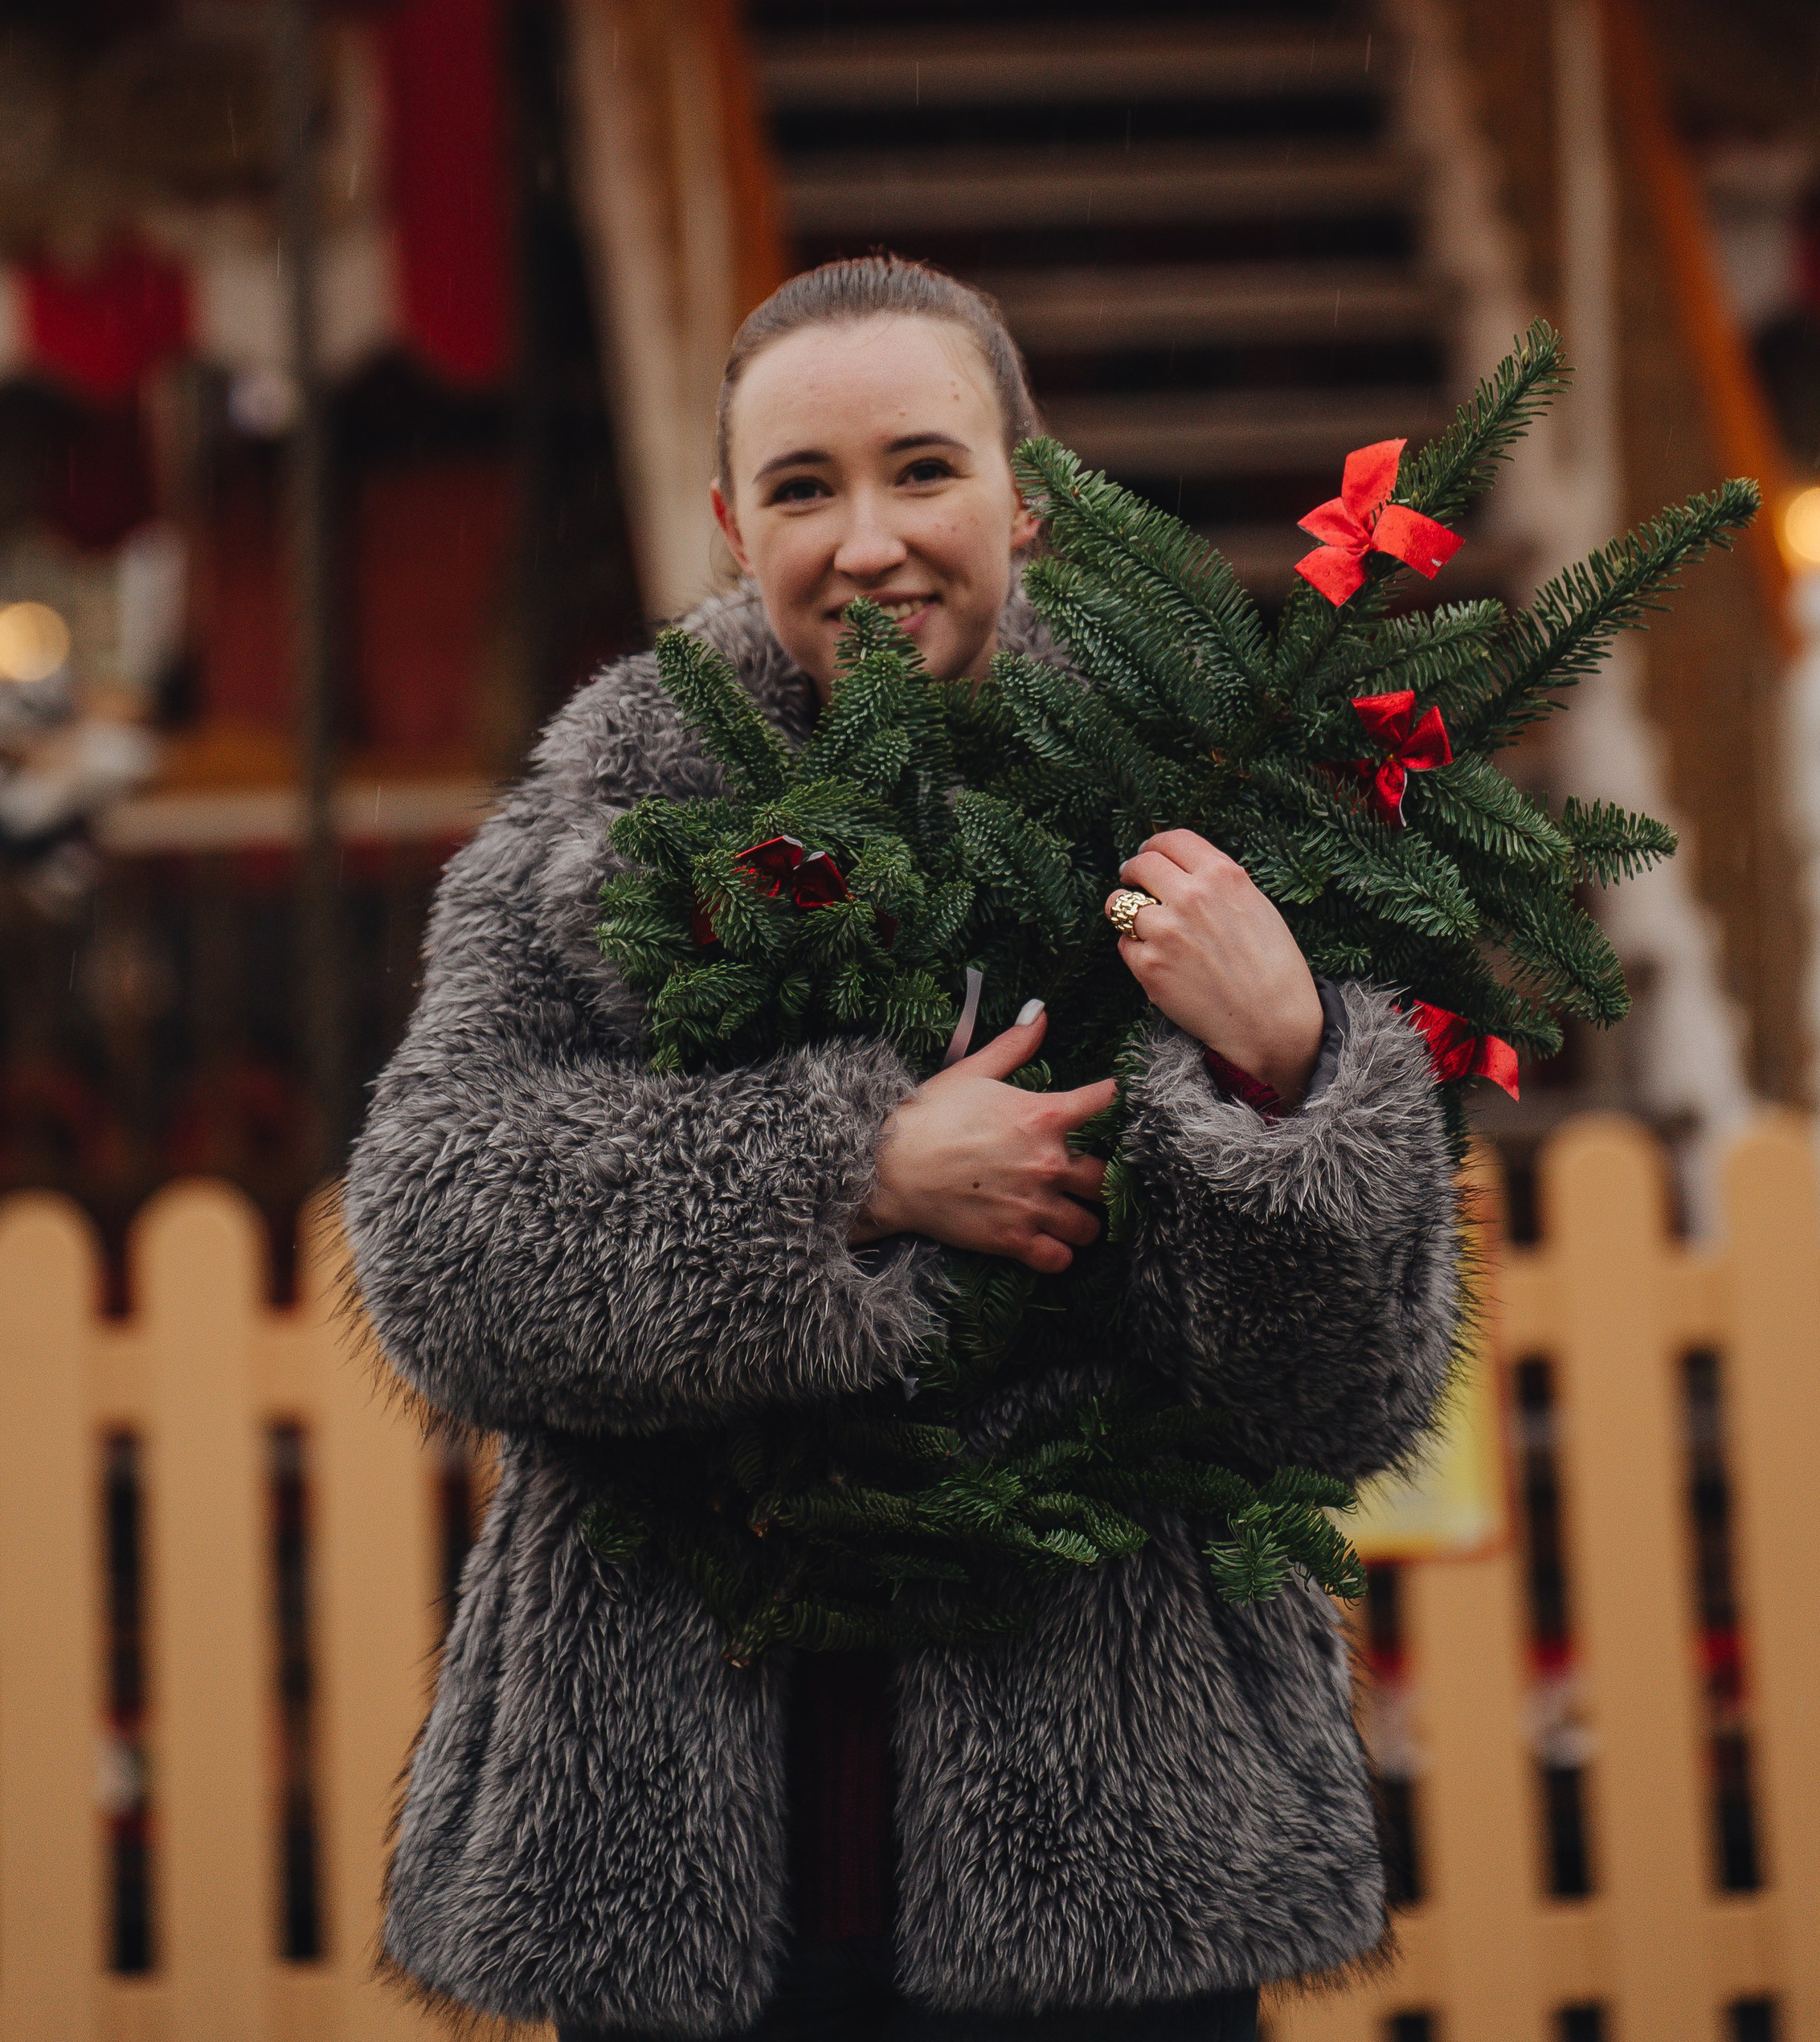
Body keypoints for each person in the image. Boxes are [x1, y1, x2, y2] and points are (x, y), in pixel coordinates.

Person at [345, 254, 1458, 2042]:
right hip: (683, 1868)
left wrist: (1289, 1067)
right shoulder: (610, 809)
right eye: (803, 489)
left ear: (1027, 496)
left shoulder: (1181, 814)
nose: (866, 542)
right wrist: (849, 1173)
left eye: (921, 471)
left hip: (1117, 1864)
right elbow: (435, 1237)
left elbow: (1340, 1400)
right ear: (732, 525)